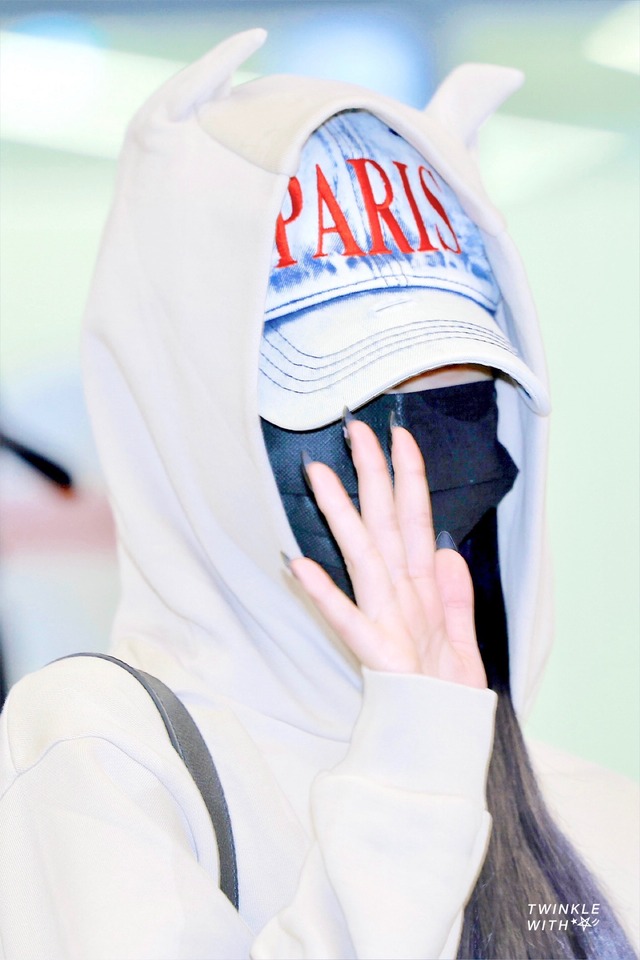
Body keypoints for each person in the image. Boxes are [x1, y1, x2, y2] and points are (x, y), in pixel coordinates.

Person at [0, 28, 637, 960]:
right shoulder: (104, 755)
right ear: (199, 424)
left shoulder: (602, 821)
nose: (425, 466)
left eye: (458, 397)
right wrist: (415, 766)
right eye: (357, 405)